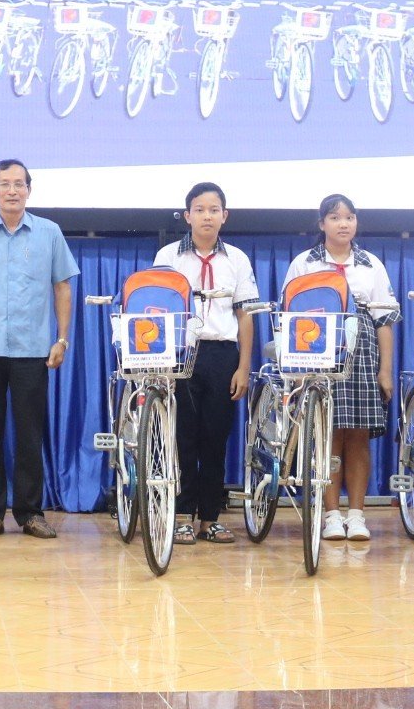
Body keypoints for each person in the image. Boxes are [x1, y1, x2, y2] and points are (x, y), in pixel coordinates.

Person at [0, 159, 79, 540]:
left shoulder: (49, 232)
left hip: (33, 348)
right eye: (4, 184)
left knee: (29, 435)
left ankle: (30, 513)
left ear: (29, 190)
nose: (12, 190)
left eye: (19, 184)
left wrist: (62, 339)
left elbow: (62, 287)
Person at [283, 194, 397, 543]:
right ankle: (331, 515)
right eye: (335, 217)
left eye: (349, 217)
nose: (343, 223)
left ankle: (357, 515)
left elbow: (384, 320)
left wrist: (385, 370)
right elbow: (289, 315)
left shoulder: (370, 264)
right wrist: (295, 367)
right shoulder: (304, 263)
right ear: (322, 224)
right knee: (328, 431)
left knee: (358, 434)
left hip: (362, 352)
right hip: (316, 346)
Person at [152, 182, 257, 545]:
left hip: (221, 354)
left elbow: (245, 315)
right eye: (199, 210)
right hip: (181, 355)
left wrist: (243, 367)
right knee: (182, 437)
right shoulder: (168, 256)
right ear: (187, 216)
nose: (206, 216)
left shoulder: (237, 259)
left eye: (214, 210)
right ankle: (182, 515)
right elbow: (159, 309)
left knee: (215, 438)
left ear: (224, 216)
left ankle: (210, 518)